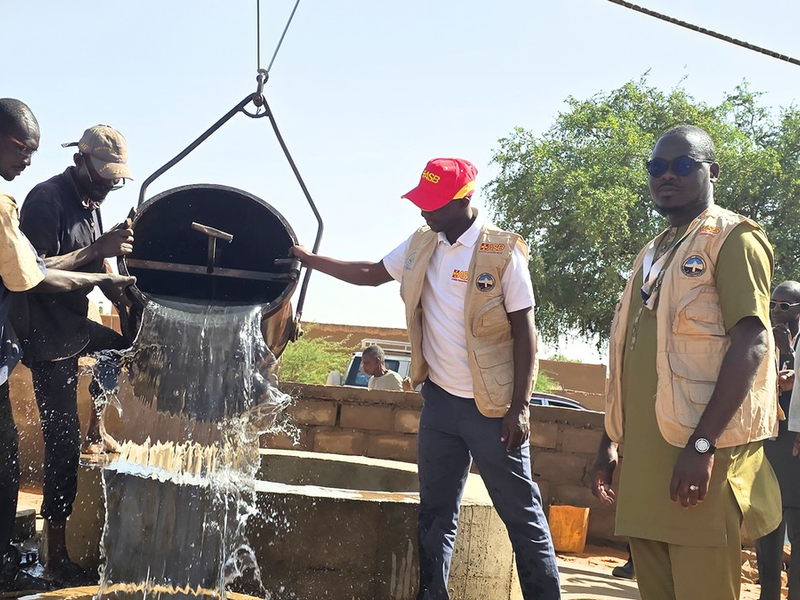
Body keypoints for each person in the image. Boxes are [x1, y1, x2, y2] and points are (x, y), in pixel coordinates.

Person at [291, 157, 560, 599]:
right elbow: (370, 274)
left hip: (493, 410)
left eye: (433, 204)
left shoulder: (502, 252)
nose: (423, 211)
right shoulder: (422, 242)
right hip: (440, 406)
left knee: (521, 515)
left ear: (464, 200)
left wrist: (520, 408)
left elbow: (526, 334)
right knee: (435, 514)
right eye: (421, 202)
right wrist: (308, 260)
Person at [590, 125, 781, 600]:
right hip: (644, 467)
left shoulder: (733, 238)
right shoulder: (652, 252)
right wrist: (609, 441)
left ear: (712, 171)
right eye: (656, 167)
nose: (666, 176)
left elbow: (752, 342)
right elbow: (632, 355)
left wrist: (701, 446)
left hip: (697, 463)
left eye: (681, 165)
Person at [0, 99, 135, 595]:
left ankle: (96, 424)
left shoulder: (91, 204)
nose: (108, 185)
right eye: (103, 176)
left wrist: (120, 288)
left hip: (73, 326)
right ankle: (56, 553)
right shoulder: (46, 200)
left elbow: (97, 269)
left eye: (116, 180)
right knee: (60, 442)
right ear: (80, 161)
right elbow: (32, 273)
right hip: (45, 336)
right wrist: (98, 255)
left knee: (122, 348)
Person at [755, 281, 800, 600]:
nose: (776, 311)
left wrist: (790, 354)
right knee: (767, 527)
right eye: (773, 304)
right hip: (769, 444)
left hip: (795, 448)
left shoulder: (788, 343)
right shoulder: (763, 338)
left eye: (785, 306)